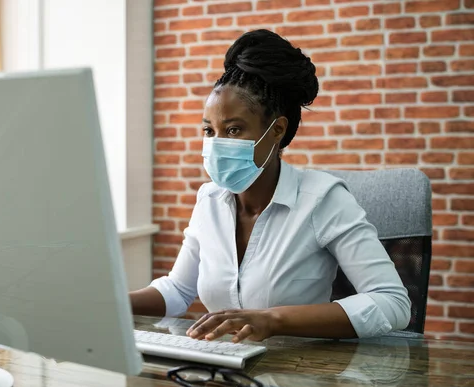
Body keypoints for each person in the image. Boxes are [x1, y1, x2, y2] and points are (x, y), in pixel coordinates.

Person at [130, 29, 410, 343]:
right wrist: (106, 302)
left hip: (298, 375)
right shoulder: (210, 199)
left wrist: (273, 320)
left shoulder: (323, 199)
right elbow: (178, 291)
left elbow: (392, 302)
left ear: (276, 130)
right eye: (209, 131)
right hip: (219, 372)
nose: (217, 144)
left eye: (234, 129)